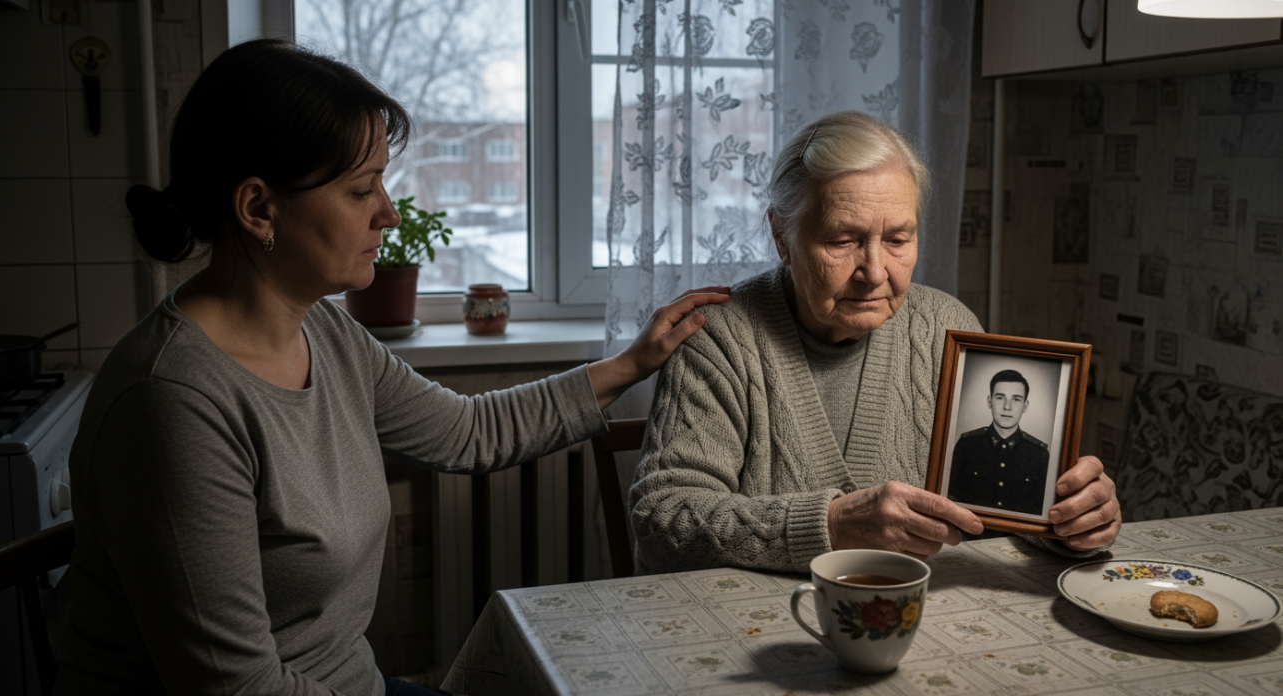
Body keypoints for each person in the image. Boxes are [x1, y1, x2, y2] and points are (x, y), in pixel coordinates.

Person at [54, 39, 728, 696]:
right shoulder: (172, 401)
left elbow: (467, 432)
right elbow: (235, 684)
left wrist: (633, 363)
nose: (390, 213)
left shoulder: (322, 330)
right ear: (259, 208)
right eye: (360, 189)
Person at [628, 111, 1121, 575]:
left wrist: (1068, 521)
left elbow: (994, 505)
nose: (875, 272)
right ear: (782, 235)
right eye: (843, 241)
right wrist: (833, 525)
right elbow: (661, 520)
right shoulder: (717, 337)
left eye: (899, 240)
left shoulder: (946, 324)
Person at [946, 369, 1050, 515]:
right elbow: (950, 499)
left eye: (1016, 399)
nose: (1007, 407)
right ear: (990, 401)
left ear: (1025, 406)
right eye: (1000, 398)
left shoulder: (1039, 454)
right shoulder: (967, 445)